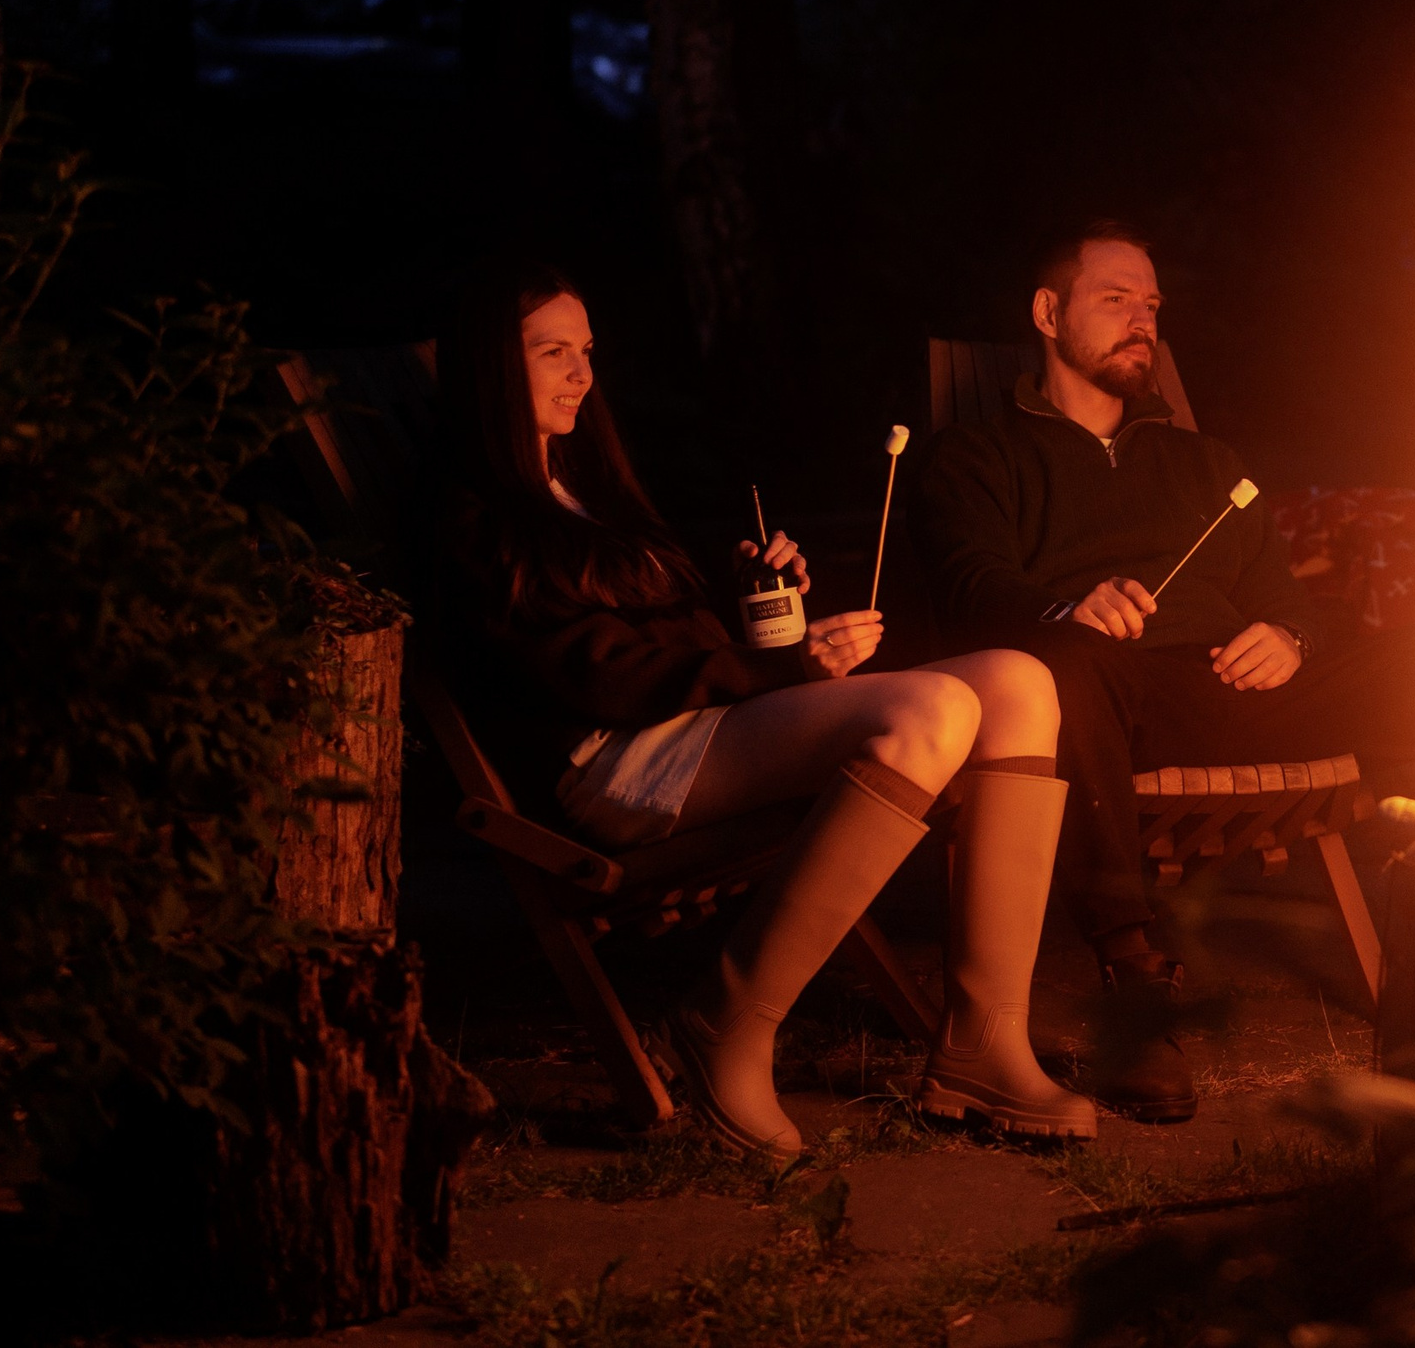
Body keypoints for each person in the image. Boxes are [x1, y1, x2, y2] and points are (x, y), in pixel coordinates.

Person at [431, 257, 1096, 1158]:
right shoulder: (474, 513)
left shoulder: (582, 489)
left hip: (695, 729)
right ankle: (724, 1025)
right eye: (553, 353)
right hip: (616, 760)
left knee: (1019, 680)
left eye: (586, 350)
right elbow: (596, 676)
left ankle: (984, 1043)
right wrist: (775, 667)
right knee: (931, 708)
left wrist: (761, 604)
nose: (582, 374)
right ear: (491, 368)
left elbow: (667, 633)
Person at [913, 220, 1415, 1121]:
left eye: (1153, 305)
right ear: (1049, 313)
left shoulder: (1207, 465)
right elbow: (972, 586)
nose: (1145, 320)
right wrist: (1067, 610)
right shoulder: (977, 455)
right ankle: (1136, 982)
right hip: (1094, 695)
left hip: (1242, 689)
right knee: (1064, 665)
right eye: (1116, 299)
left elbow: (1299, 600)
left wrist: (1293, 637)